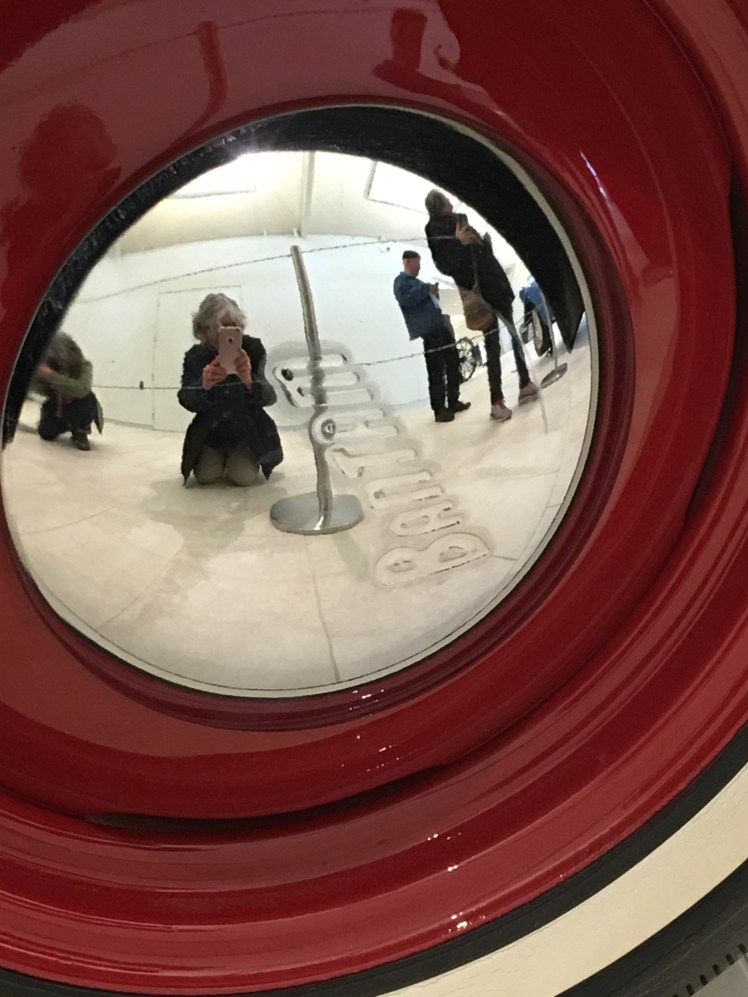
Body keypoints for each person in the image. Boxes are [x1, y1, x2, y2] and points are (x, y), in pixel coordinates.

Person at [424, 189, 538, 422]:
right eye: (445, 199)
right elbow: (446, 265)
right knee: (496, 344)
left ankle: (521, 384)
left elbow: (469, 258)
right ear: (439, 205)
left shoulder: (455, 222)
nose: (449, 201)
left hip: (490, 286)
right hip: (483, 291)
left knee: (505, 338)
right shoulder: (436, 230)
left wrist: (483, 245)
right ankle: (500, 400)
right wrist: (460, 242)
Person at [178, 293, 283, 486]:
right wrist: (204, 384)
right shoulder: (195, 356)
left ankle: (238, 456)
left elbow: (270, 397)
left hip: (246, 430)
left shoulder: (253, 348)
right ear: (203, 330)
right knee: (205, 477)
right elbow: (185, 399)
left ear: (239, 327)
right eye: (215, 327)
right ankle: (219, 456)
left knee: (243, 477)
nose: (222, 333)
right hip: (211, 433)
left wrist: (250, 381)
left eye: (229, 326)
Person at [393, 250, 469, 422]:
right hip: (429, 330)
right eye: (417, 263)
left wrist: (432, 292)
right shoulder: (401, 282)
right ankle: (439, 409)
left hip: (439, 325)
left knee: (453, 363)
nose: (419, 267)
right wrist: (426, 289)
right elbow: (405, 299)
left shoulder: (416, 282)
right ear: (408, 262)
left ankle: (453, 400)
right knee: (436, 370)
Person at [33, 332, 103, 451]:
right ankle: (69, 425)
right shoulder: (48, 365)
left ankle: (80, 430)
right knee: (46, 433)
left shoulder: (84, 365)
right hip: (58, 407)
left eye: (63, 356)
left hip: (78, 406)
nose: (61, 360)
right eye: (56, 356)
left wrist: (51, 376)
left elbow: (82, 388)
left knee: (88, 397)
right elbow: (38, 389)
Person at [519, 277, 553, 357]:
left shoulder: (527, 296)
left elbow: (527, 314)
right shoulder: (532, 288)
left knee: (545, 332)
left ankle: (551, 348)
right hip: (547, 307)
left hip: (541, 314)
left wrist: (524, 325)